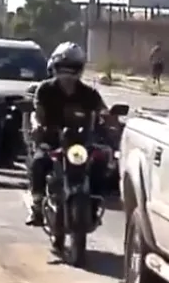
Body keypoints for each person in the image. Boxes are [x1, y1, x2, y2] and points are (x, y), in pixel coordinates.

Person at [26, 41, 109, 227]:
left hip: (80, 145)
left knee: (101, 161)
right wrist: (38, 126)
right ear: (54, 67)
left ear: (79, 69)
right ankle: (37, 205)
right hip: (52, 142)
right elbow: (37, 113)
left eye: (72, 68)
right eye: (63, 67)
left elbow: (103, 110)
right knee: (39, 161)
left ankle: (94, 202)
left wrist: (109, 119)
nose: (67, 73)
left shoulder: (88, 93)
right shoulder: (45, 90)